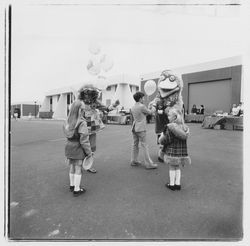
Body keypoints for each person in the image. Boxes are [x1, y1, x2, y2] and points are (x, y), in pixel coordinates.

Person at [63, 100, 93, 197]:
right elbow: (84, 140)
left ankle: (72, 186)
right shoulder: (81, 123)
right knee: (78, 168)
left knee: (71, 166)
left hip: (68, 146)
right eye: (83, 109)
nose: (84, 111)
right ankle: (77, 189)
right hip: (77, 147)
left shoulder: (67, 121)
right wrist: (89, 152)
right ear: (80, 110)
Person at [159, 107, 191, 191]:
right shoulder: (185, 127)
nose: (168, 117)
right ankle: (178, 184)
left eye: (169, 115)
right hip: (181, 152)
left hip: (172, 151)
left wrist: (161, 138)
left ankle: (172, 184)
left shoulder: (170, 127)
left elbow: (167, 140)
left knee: (172, 167)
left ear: (175, 117)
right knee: (177, 167)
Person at [130, 91, 158, 169]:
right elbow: (151, 112)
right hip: (141, 128)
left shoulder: (133, 107)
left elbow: (142, 114)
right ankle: (148, 164)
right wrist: (154, 105)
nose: (144, 99)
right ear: (140, 98)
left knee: (135, 145)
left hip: (134, 127)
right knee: (145, 145)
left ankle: (134, 160)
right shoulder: (142, 106)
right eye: (143, 97)